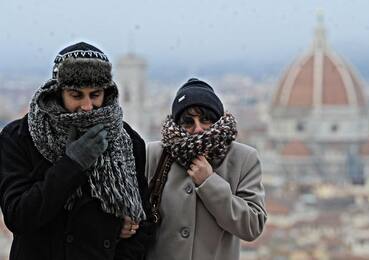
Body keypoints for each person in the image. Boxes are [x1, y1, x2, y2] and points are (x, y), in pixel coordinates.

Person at [0, 42, 154, 260]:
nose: (87, 106)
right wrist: (72, 164)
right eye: (76, 95)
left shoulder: (127, 140)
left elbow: (142, 223)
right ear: (57, 91)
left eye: (95, 94)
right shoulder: (20, 137)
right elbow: (19, 216)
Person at [145, 78, 267, 260]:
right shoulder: (155, 155)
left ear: (217, 120)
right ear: (176, 124)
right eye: (188, 122)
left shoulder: (243, 158)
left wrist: (209, 183)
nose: (198, 129)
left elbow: (252, 226)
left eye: (205, 120)